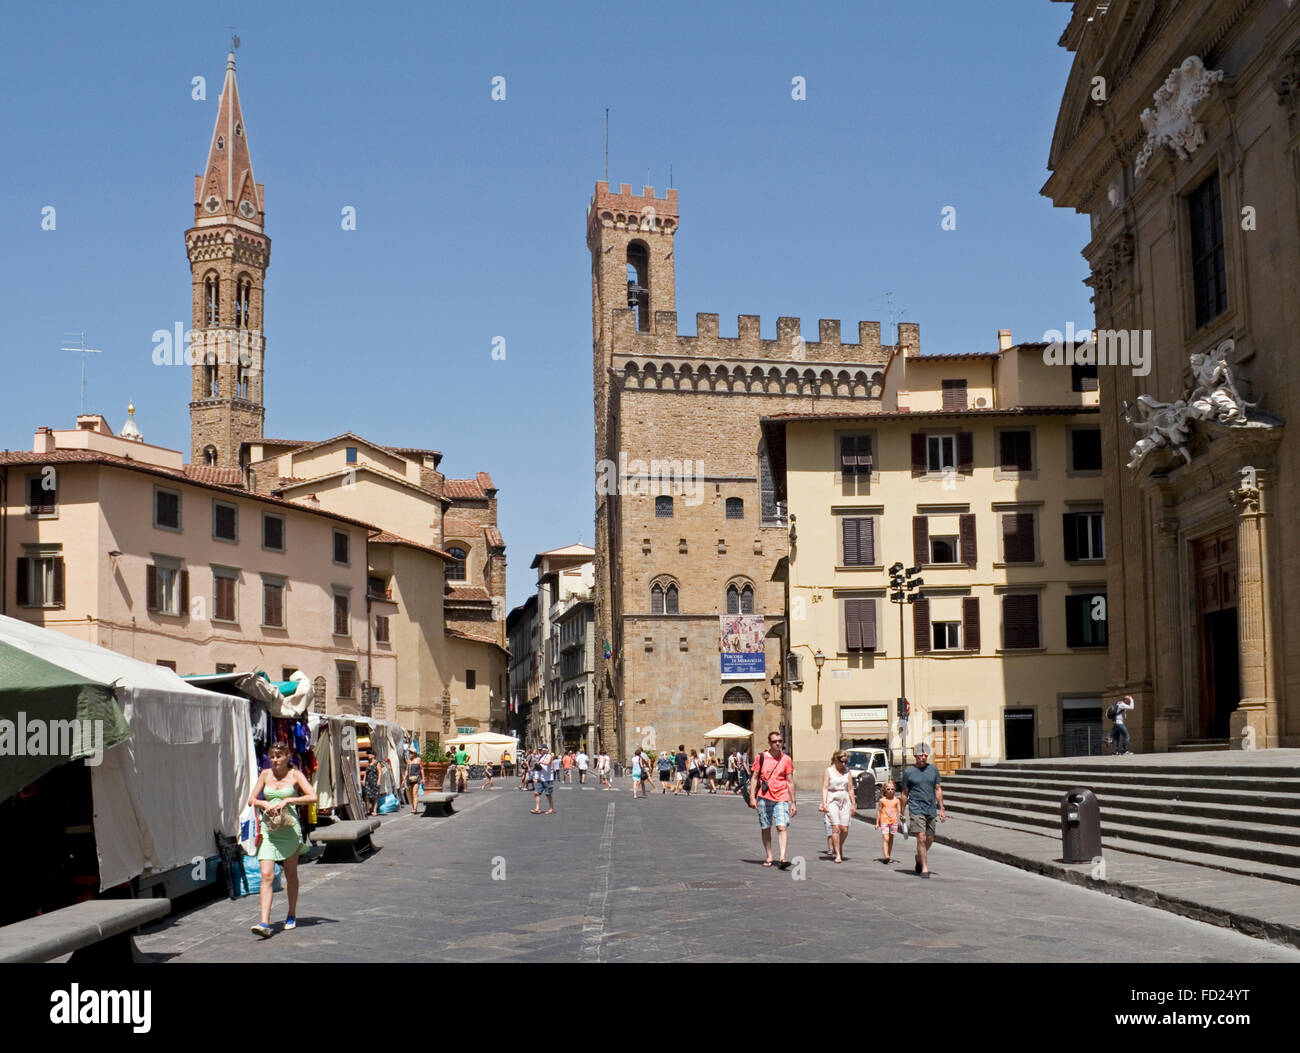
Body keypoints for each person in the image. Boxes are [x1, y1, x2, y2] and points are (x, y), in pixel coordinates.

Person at [248, 742, 318, 938]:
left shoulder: (295, 775)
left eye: (279, 756)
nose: (275, 760)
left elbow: (312, 796)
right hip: (269, 829)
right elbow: (251, 799)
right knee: (267, 876)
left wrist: (289, 800)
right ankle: (264, 922)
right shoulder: (265, 774)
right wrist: (263, 802)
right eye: (272, 756)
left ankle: (291, 913)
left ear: (288, 757)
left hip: (289, 829)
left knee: (291, 873)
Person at [749, 732, 796, 868]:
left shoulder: (786, 759)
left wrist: (793, 802)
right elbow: (754, 777)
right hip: (764, 796)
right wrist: (752, 797)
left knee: (782, 826)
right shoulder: (761, 757)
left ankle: (782, 858)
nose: (778, 743)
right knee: (766, 827)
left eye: (780, 741)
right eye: (775, 741)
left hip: (781, 796)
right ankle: (769, 855)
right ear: (769, 743)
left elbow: (790, 781)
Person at [900, 743, 945, 878]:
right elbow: (904, 793)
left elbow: (937, 789)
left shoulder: (933, 769)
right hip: (916, 807)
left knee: (930, 838)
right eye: (920, 755)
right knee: (921, 837)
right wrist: (902, 812)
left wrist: (942, 808)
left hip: (930, 807)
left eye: (925, 755)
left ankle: (919, 858)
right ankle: (924, 868)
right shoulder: (909, 772)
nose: (923, 757)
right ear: (915, 755)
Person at [820, 751, 853, 863]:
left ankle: (838, 846)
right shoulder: (828, 771)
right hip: (832, 798)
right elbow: (825, 787)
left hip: (845, 799)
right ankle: (838, 854)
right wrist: (824, 802)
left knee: (845, 828)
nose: (843, 764)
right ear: (835, 759)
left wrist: (853, 803)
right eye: (841, 761)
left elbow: (850, 788)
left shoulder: (848, 771)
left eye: (845, 761)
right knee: (836, 827)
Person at [876, 781, 901, 863]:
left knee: (891, 839)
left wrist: (901, 818)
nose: (890, 790)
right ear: (884, 790)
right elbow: (879, 811)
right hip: (884, 821)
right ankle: (886, 855)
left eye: (892, 789)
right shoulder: (882, 800)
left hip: (893, 821)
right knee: (886, 838)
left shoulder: (896, 800)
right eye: (888, 789)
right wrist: (877, 823)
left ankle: (888, 855)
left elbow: (899, 811)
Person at [531, 746, 555, 814]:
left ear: (545, 750)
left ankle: (551, 808)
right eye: (539, 750)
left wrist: (540, 762)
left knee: (548, 795)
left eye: (541, 749)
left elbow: (547, 763)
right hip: (540, 778)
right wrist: (535, 777)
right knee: (536, 793)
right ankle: (537, 808)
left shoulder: (549, 756)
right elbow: (537, 768)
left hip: (548, 779)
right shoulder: (540, 757)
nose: (540, 751)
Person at [405, 748, 423, 815]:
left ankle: (415, 809)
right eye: (409, 753)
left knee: (414, 794)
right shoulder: (408, 761)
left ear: (414, 753)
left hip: (416, 778)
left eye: (411, 753)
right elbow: (407, 770)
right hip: (409, 779)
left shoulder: (418, 760)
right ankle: (413, 807)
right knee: (411, 794)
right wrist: (404, 779)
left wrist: (423, 778)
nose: (410, 754)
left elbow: (421, 769)